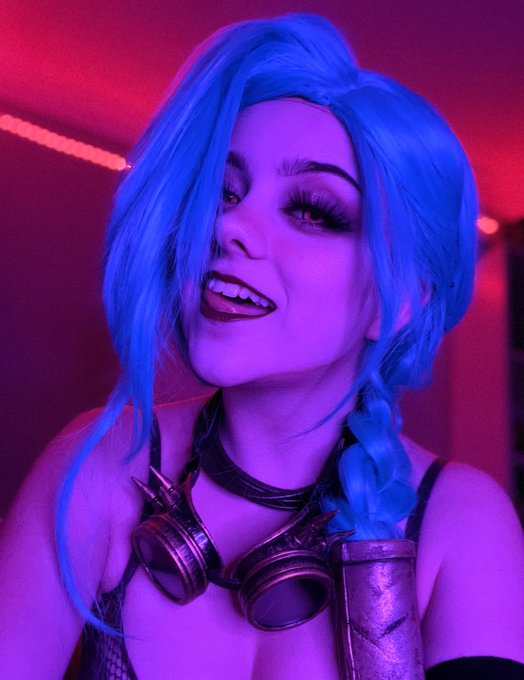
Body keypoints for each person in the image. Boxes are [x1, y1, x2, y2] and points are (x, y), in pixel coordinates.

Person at [0, 12, 523, 680]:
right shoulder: (96, 466)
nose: (227, 228)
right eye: (222, 193)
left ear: (400, 304)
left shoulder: (460, 520)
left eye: (313, 210)